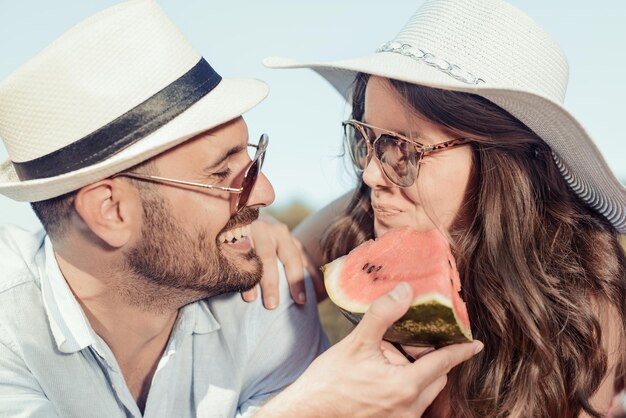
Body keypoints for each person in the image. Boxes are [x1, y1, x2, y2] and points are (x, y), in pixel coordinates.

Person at [0, 0, 483, 417]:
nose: (266, 194)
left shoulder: (263, 309)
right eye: (222, 173)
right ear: (111, 211)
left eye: (253, 159)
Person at [251, 0, 626, 416]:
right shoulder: (363, 223)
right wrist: (263, 227)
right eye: (366, 140)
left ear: (500, 166)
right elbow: (289, 264)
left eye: (404, 148)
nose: (371, 175)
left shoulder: (580, 308)